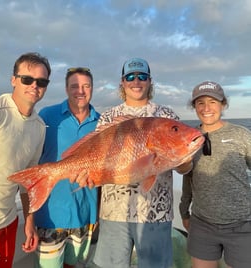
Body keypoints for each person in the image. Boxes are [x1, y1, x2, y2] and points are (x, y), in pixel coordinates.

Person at [92, 58, 193, 268]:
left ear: (149, 81)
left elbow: (185, 168)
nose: (136, 81)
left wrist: (183, 161)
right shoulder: (109, 117)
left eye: (142, 76)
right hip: (114, 211)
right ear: (122, 82)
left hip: (155, 213)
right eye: (130, 77)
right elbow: (95, 157)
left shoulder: (166, 115)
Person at [0, 52, 51, 268]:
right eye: (27, 79)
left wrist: (29, 222)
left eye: (41, 81)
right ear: (13, 80)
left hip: (8, 224)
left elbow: (28, 182)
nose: (34, 85)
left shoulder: (39, 127)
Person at [179, 81, 251, 268]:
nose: (206, 108)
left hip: (242, 224)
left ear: (223, 104)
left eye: (212, 101)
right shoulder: (188, 137)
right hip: (202, 224)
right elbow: (188, 178)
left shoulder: (241, 134)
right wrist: (184, 212)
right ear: (194, 107)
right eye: (200, 103)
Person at [34, 67, 100, 268]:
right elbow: (32, 157)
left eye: (86, 86)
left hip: (85, 214)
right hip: (50, 214)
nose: (80, 91)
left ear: (92, 88)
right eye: (74, 86)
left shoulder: (101, 122)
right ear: (66, 89)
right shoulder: (47, 115)